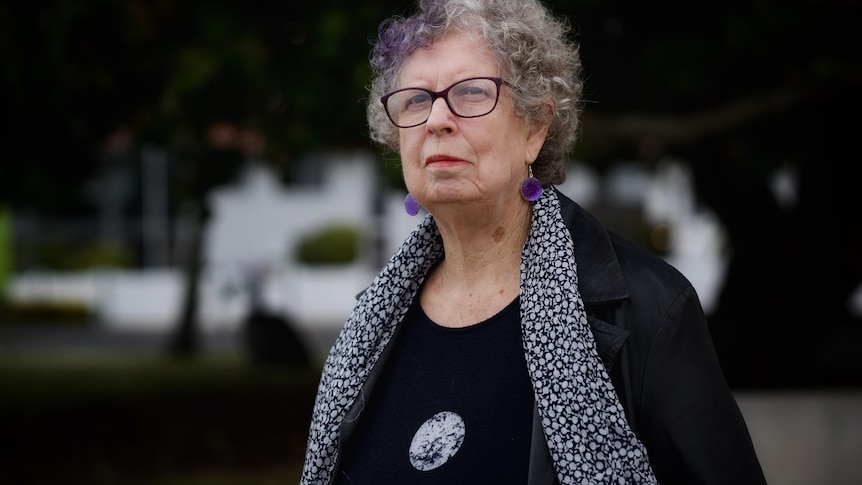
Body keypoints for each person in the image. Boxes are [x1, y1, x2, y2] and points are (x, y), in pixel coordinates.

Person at [302, 0, 766, 483]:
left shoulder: (652, 307)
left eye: (471, 92)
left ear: (536, 128)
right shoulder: (370, 325)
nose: (437, 119)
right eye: (417, 99)